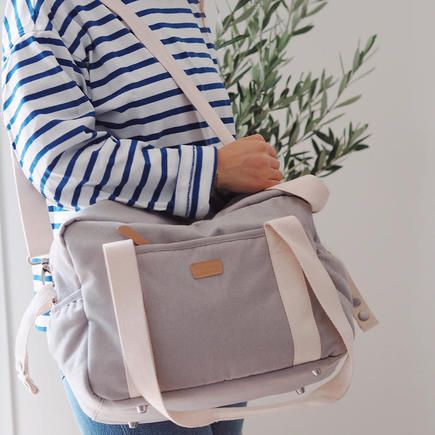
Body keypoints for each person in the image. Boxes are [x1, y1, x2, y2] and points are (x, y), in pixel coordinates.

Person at [1, 0, 283, 433]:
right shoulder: (44, 8)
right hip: (123, 315)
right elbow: (57, 163)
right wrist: (214, 169)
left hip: (215, 294)